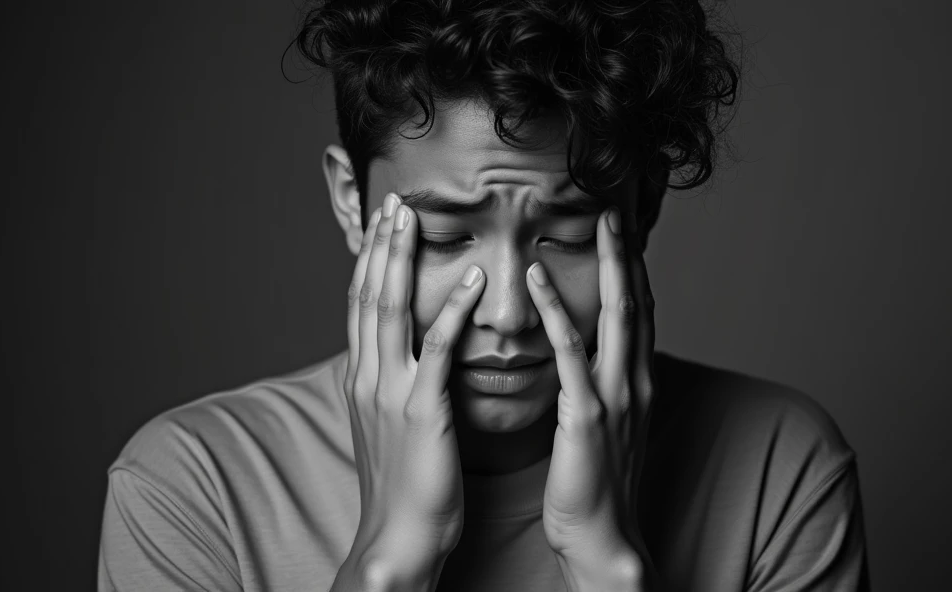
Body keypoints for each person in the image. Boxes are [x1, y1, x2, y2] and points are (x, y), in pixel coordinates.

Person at [97, 1, 870, 590]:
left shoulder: (778, 468)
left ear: (643, 209)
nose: (507, 312)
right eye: (444, 237)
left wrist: (610, 565)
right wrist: (388, 563)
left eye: (566, 236)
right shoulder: (194, 487)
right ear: (349, 202)